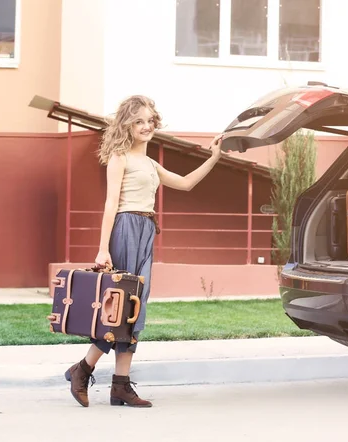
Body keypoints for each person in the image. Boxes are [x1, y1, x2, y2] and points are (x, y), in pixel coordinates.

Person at [65, 95, 223, 408]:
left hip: (147, 231)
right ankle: (83, 370)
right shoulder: (119, 157)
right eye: (139, 121)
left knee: (136, 309)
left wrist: (215, 157)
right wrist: (102, 249)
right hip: (125, 228)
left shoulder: (150, 163)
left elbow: (186, 183)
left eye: (150, 120)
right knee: (120, 309)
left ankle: (118, 384)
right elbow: (111, 203)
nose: (146, 126)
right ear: (127, 124)